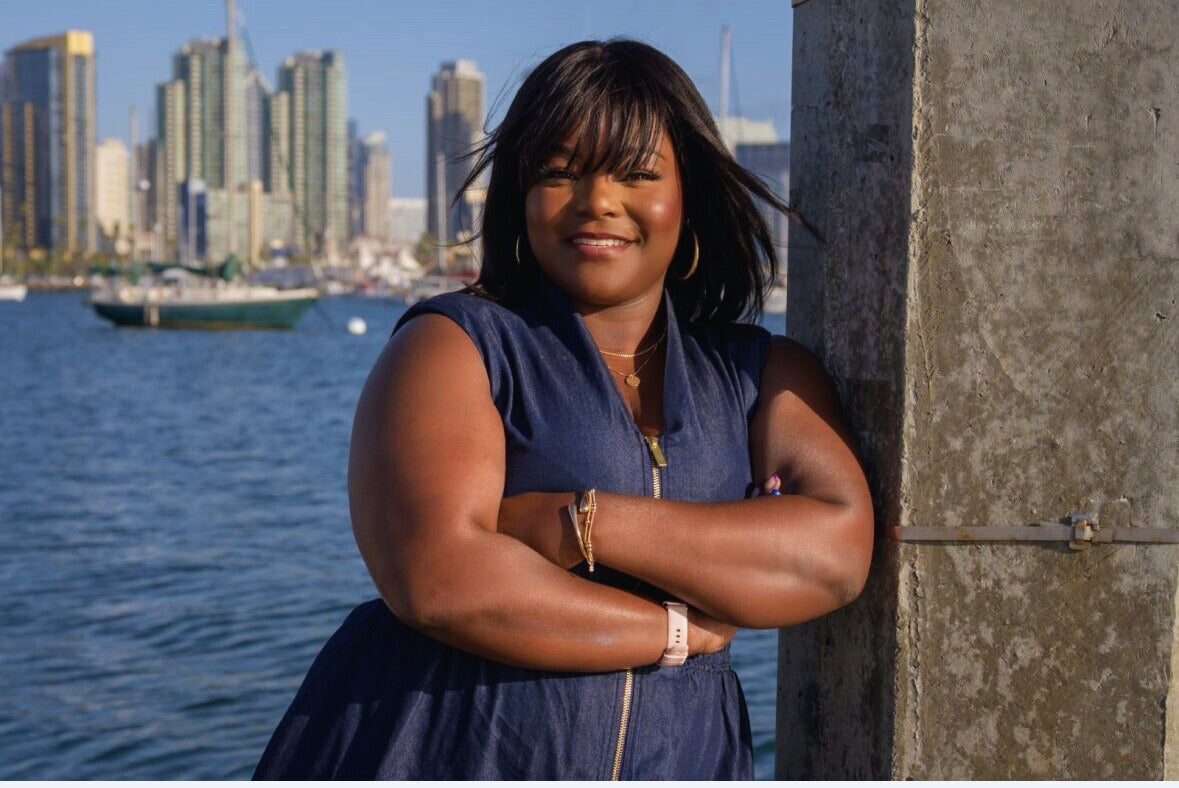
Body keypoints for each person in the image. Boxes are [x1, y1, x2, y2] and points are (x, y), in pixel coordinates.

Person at [253, 39, 873, 780]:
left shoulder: (760, 373)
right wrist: (674, 632)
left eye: (636, 173)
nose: (597, 200)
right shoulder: (455, 346)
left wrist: (580, 522)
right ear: (521, 194)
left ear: (689, 195)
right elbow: (439, 580)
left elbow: (833, 556)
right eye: (560, 172)